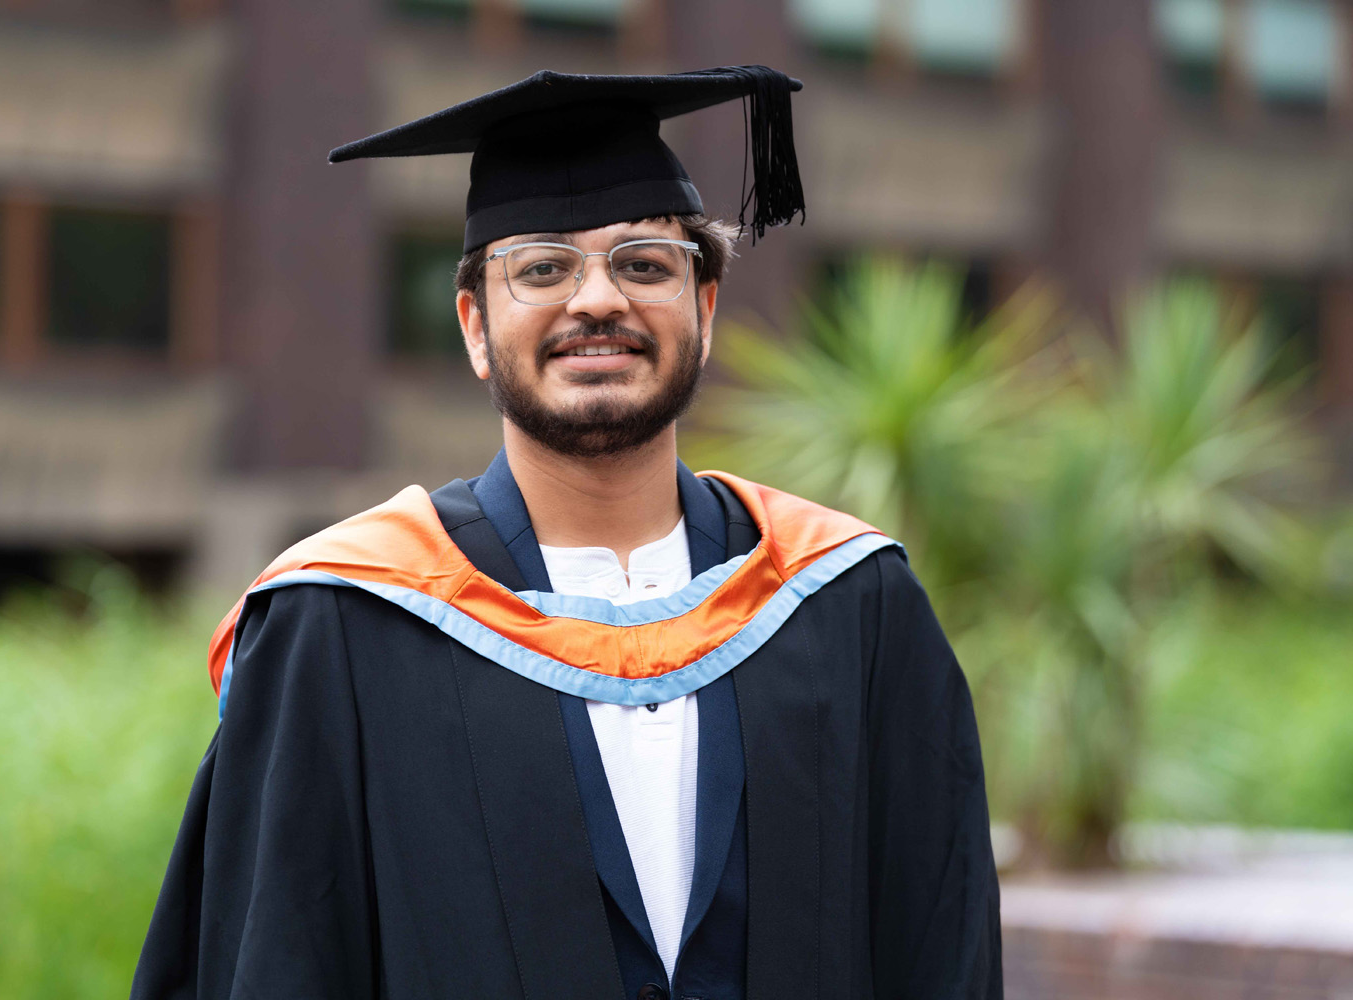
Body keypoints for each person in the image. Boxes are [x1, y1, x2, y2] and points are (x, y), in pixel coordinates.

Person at [132, 66, 1002, 1000]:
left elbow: (940, 948)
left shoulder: (849, 604)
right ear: (474, 327)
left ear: (703, 313)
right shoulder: (342, 624)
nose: (599, 300)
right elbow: (272, 964)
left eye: (645, 264)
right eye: (542, 268)